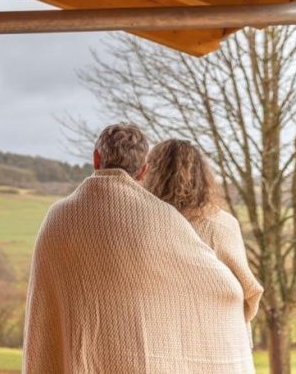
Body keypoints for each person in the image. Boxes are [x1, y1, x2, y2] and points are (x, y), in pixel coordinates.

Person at [22, 124, 254, 373]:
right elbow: (223, 287)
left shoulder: (57, 217)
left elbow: (43, 301)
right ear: (143, 170)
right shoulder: (163, 218)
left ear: (96, 158)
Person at [143, 139, 263, 333]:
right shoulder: (223, 224)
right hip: (217, 333)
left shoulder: (141, 223)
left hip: (159, 332)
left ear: (150, 173)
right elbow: (248, 291)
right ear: (202, 175)